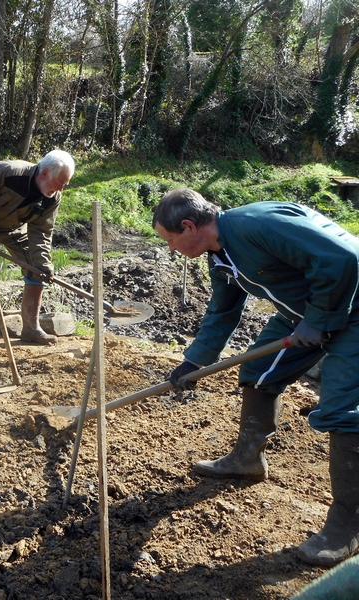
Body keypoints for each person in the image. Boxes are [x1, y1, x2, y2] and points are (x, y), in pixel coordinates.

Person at [153, 188, 359, 568]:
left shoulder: (256, 225)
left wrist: (318, 319)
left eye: (170, 240)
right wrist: (194, 360)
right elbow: (222, 311)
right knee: (259, 371)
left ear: (188, 226)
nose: (171, 249)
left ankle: (347, 527)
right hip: (304, 314)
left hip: (352, 310)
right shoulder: (220, 257)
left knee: (342, 409)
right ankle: (247, 458)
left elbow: (344, 258)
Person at [0, 150, 75, 345]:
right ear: (45, 174)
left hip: (15, 231)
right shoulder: (7, 172)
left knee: (36, 269)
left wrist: (42, 263)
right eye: (60, 182)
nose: (61, 189)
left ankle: (31, 328)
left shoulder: (53, 197)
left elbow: (41, 231)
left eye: (65, 184)